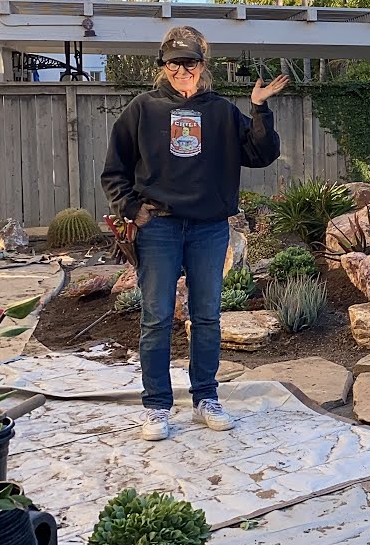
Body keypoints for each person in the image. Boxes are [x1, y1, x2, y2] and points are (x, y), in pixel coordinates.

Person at [101, 26, 289, 441]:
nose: (181, 69)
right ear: (163, 66)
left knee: (206, 317)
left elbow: (261, 153)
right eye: (173, 62)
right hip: (160, 228)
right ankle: (156, 407)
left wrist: (258, 108)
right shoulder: (142, 109)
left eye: (189, 61)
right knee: (156, 318)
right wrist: (132, 209)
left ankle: (206, 396)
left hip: (208, 228)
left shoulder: (221, 111)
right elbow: (114, 170)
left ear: (202, 65)